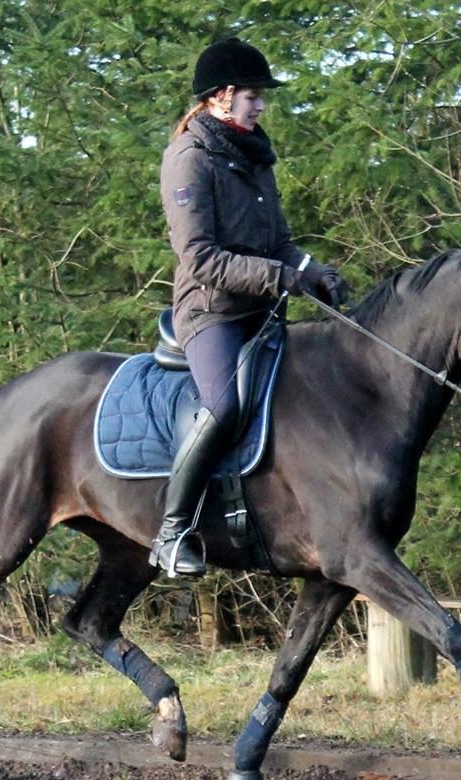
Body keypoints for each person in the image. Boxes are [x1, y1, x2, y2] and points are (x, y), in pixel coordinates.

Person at [151, 36, 350, 577]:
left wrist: (313, 272)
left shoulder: (253, 153)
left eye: (261, 97)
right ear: (219, 97)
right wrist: (280, 277)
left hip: (262, 311)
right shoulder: (189, 159)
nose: (260, 105)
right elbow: (200, 258)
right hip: (212, 312)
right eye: (252, 96)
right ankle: (173, 533)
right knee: (223, 406)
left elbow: (280, 242)